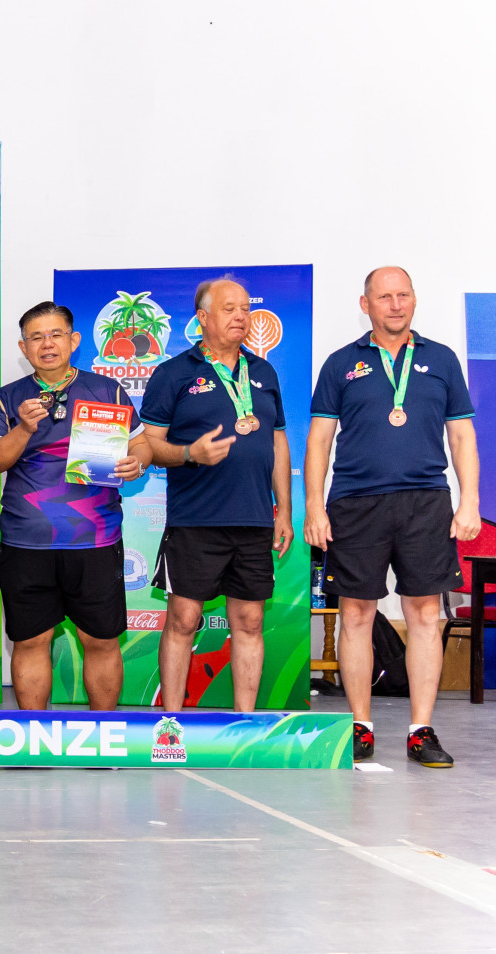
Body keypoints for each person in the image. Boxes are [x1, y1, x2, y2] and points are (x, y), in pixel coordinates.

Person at [304, 267, 479, 768]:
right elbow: (319, 441)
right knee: (357, 614)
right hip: (356, 503)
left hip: (426, 501)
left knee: (425, 614)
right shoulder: (341, 364)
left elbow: (462, 437)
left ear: (415, 300)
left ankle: (421, 731)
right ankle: (359, 727)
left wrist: (468, 502)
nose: (395, 304)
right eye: (385, 297)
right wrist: (315, 506)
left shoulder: (441, 359)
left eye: (403, 295)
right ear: (366, 305)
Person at [0, 301, 152, 711]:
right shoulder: (8, 400)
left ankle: (104, 736)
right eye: (36, 337)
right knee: (31, 640)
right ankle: (34, 739)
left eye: (56, 334)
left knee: (101, 640)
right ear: (24, 348)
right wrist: (24, 427)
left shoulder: (107, 390)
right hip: (26, 543)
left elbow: (141, 442)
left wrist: (137, 461)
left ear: (73, 340)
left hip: (95, 540)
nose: (47, 344)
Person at [140, 277, 293, 712]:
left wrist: (283, 509)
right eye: (229, 309)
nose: (241, 316)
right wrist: (190, 453)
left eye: (245, 308)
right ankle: (169, 721)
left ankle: (245, 722)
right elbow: (148, 445)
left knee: (249, 620)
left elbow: (278, 443)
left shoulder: (263, 372)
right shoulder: (173, 373)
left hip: (255, 518)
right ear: (202, 318)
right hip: (195, 520)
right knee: (183, 620)